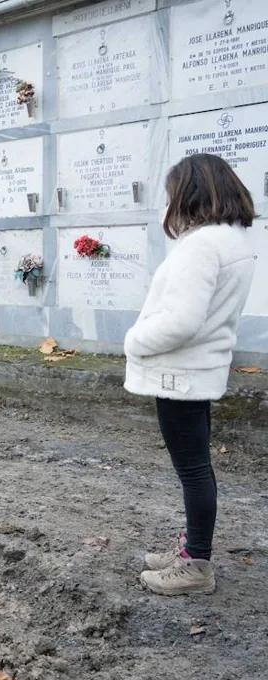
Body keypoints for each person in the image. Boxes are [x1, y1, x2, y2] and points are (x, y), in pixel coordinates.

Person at [125, 153, 256, 597]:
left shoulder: (201, 245)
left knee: (194, 469)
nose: (169, 203)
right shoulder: (231, 239)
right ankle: (192, 551)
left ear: (191, 191)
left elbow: (181, 320)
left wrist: (134, 341)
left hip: (177, 373)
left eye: (172, 193)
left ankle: (196, 563)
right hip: (197, 370)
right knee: (198, 467)